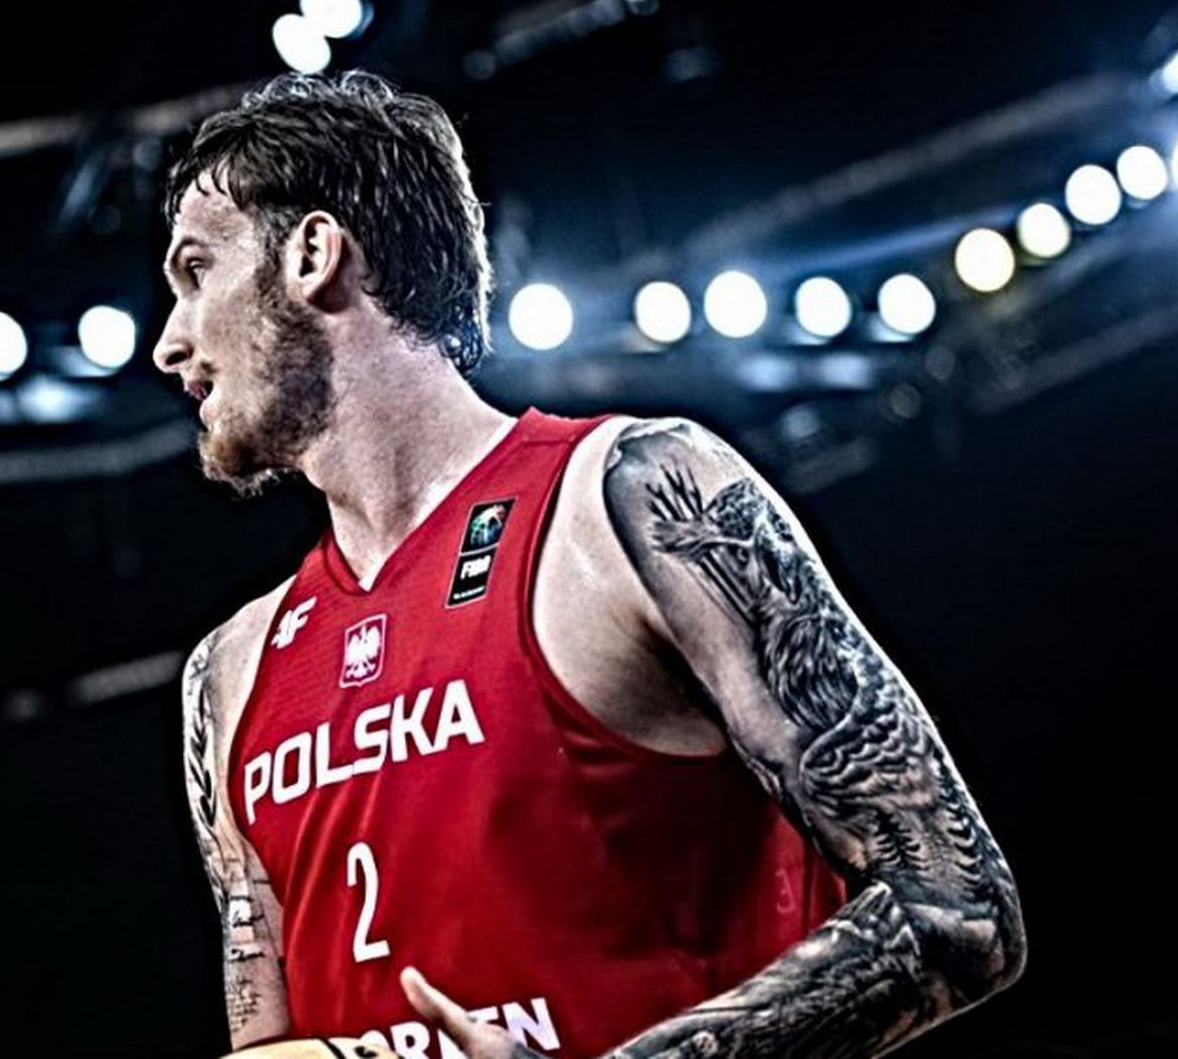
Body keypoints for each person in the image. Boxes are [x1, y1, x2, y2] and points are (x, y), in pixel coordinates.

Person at [155, 72, 1026, 1059]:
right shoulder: (229, 673)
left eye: (197, 272)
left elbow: (959, 910)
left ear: (313, 255)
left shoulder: (633, 499)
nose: (170, 344)